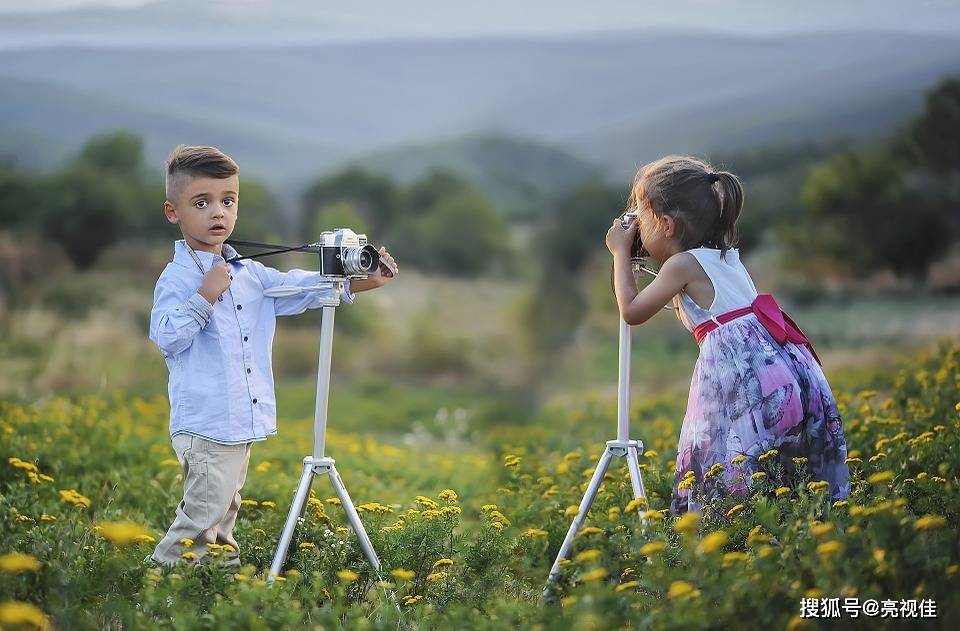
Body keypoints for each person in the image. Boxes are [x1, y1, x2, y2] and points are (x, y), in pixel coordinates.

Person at [148, 144, 398, 566]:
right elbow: (166, 337)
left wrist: (359, 282)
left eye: (228, 201)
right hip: (208, 423)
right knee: (201, 516)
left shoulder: (250, 272)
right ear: (173, 212)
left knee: (224, 511)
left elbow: (298, 287)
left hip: (239, 420)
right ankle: (152, 591)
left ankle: (217, 582)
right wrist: (204, 296)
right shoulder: (178, 277)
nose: (218, 213)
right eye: (202, 203)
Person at [605, 155, 849, 516]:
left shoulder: (681, 265)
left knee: (723, 459)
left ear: (667, 225)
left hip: (741, 381)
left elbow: (632, 311)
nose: (637, 226)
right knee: (778, 468)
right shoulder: (725, 256)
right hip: (785, 372)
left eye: (642, 216)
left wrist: (619, 253)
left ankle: (728, 537)